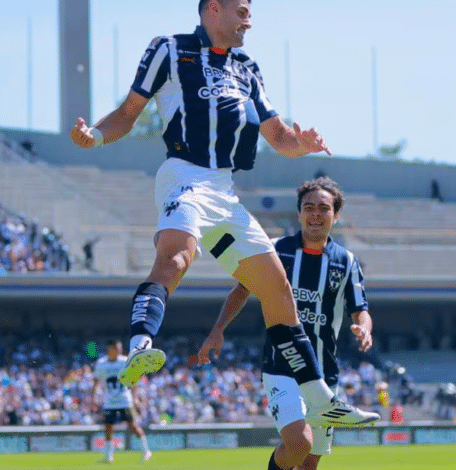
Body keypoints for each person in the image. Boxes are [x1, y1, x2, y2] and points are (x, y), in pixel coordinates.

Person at [69, 0, 378, 430]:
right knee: (177, 259)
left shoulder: (247, 67)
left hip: (224, 190)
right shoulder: (169, 49)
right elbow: (127, 114)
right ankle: (140, 345)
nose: (249, 19)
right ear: (214, 9)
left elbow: (279, 136)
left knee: (276, 289)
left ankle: (320, 398)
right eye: (243, 10)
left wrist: (301, 144)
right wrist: (95, 136)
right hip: (184, 176)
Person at [199, 177, 376, 470]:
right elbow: (241, 290)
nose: (315, 214)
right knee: (299, 442)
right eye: (309, 207)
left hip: (324, 372)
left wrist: (364, 327)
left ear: (336, 215)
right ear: (299, 213)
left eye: (323, 208)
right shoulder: (274, 250)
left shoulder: (346, 261)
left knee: (309, 463)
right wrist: (218, 329)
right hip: (282, 366)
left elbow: (361, 308)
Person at [92, 340, 152, 463]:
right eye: (116, 348)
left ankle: (146, 451)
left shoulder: (125, 361)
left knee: (133, 425)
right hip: (109, 401)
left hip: (125, 400)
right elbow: (96, 382)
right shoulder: (101, 363)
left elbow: (134, 380)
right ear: (110, 349)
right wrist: (93, 398)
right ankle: (108, 456)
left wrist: (135, 397)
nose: (119, 350)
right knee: (108, 427)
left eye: (120, 348)